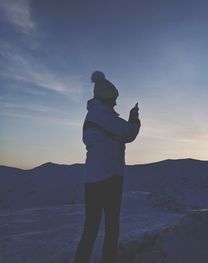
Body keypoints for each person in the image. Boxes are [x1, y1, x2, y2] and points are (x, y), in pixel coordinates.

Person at [74, 71, 141, 263]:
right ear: (107, 98)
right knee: (112, 227)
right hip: (110, 177)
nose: (115, 103)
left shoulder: (93, 115)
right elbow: (128, 133)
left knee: (91, 228)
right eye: (114, 99)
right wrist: (134, 118)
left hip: (92, 179)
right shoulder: (104, 116)